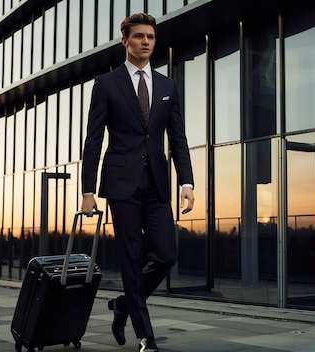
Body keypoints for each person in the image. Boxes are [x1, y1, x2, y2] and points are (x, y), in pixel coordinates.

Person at [80, 13, 195, 352]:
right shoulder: (106, 84)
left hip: (157, 182)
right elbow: (93, 139)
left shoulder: (167, 86)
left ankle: (123, 306)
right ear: (125, 42)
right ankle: (146, 336)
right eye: (140, 36)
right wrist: (88, 191)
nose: (147, 42)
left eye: (151, 37)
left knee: (166, 254)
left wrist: (186, 181)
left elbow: (178, 138)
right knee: (131, 256)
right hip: (121, 183)